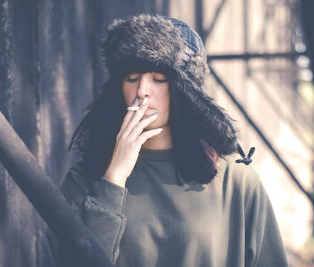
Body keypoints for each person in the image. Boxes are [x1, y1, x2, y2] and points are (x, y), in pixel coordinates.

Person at [46, 14, 289, 267]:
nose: (142, 91)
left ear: (186, 93)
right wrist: (113, 179)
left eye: (159, 78)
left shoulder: (236, 183)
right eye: (132, 77)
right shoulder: (83, 180)